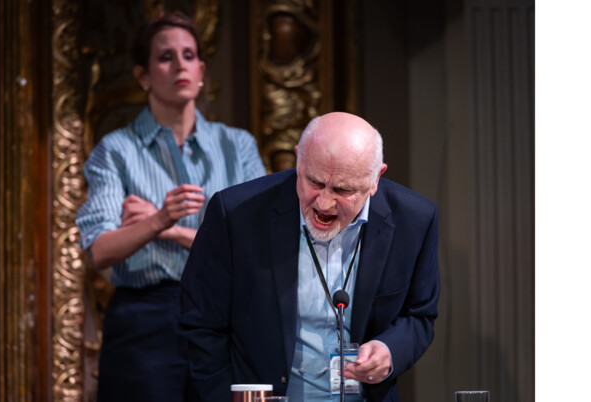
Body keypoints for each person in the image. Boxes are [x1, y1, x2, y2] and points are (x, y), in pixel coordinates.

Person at [178, 112, 440, 402]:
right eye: (314, 182)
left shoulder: (415, 220)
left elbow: (420, 315)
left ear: (376, 178)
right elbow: (200, 323)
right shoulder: (236, 213)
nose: (324, 203)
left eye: (342, 189)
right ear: (298, 161)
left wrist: (390, 351)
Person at [75, 12, 266, 402]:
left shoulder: (238, 146)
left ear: (201, 70)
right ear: (143, 76)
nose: (180, 65)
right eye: (165, 57)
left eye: (189, 55)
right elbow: (100, 249)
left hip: (223, 313)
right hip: (146, 319)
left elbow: (256, 248)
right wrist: (160, 218)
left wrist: (168, 229)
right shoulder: (116, 150)